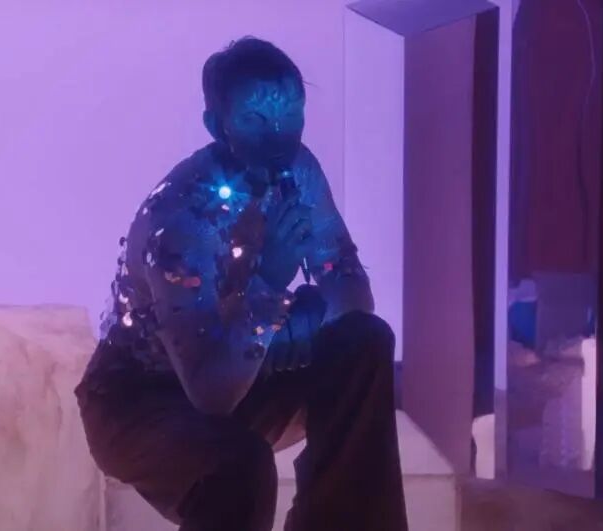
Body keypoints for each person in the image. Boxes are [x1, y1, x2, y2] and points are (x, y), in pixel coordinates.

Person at [74, 36, 409, 531]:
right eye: (255, 119)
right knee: (240, 464)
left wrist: (314, 305)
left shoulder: (299, 171)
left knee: (365, 340)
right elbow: (211, 393)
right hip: (141, 400)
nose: (278, 137)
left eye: (290, 115)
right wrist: (269, 281)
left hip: (246, 366)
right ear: (217, 126)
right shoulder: (182, 219)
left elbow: (353, 295)